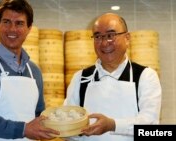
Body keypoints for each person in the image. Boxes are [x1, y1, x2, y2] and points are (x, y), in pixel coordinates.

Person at [0, 0, 59, 140]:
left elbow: (39, 114)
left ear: (29, 28)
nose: (12, 29)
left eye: (19, 23)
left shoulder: (34, 72)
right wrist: (24, 129)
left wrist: (59, 127)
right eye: (6, 22)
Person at [64, 13, 162, 141]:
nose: (104, 43)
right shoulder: (80, 78)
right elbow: (69, 128)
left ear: (127, 38)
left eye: (111, 35)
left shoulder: (145, 76)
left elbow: (149, 126)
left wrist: (112, 125)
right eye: (98, 36)